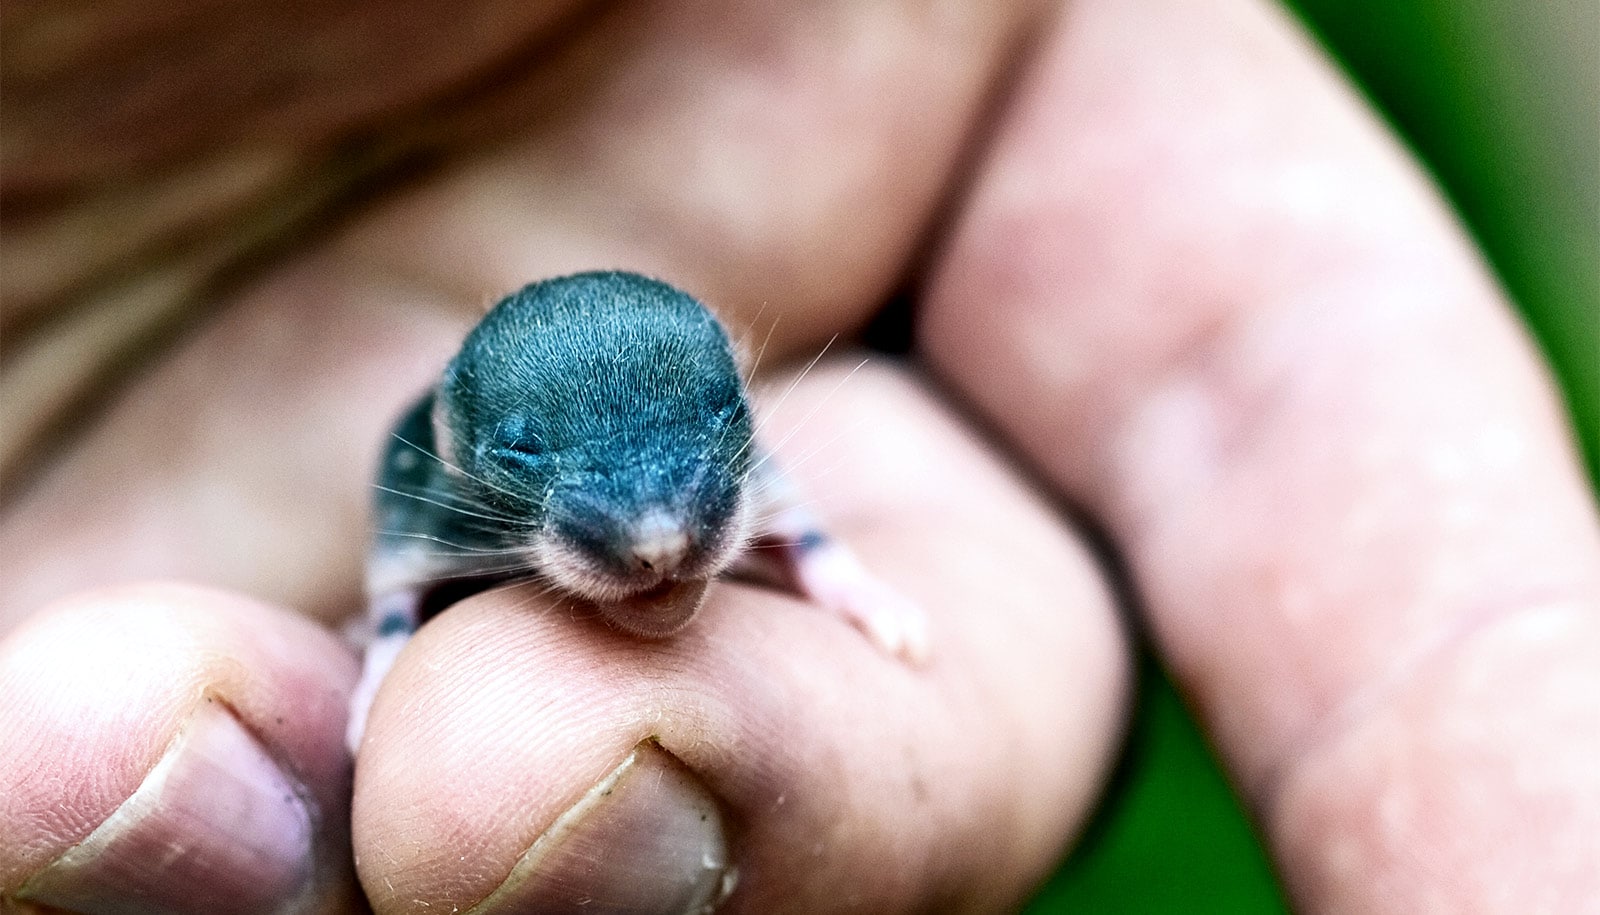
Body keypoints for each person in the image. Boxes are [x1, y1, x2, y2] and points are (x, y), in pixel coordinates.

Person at [3, 0, 1596, 911]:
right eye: (593, 515)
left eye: (707, 490)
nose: (653, 551)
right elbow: (404, 553)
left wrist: (835, 576)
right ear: (483, 457)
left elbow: (773, 515)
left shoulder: (734, 469)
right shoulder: (435, 469)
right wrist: (394, 631)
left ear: (742, 407)